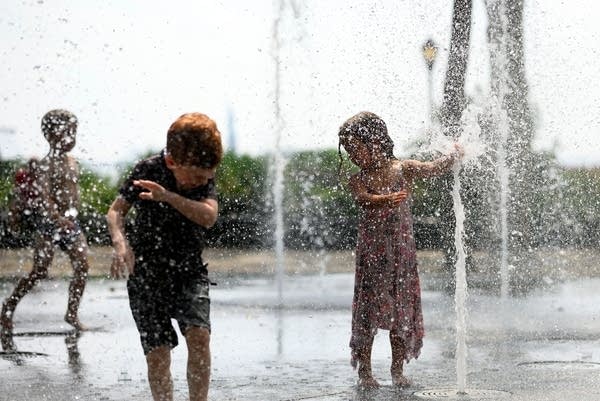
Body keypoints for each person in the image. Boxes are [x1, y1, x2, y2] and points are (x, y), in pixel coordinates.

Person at [338, 111, 463, 388]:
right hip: (372, 257)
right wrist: (385, 199)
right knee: (368, 311)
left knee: (400, 311)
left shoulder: (402, 168)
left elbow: (432, 168)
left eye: (355, 149)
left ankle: (397, 370)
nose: (353, 156)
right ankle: (365, 372)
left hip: (401, 255)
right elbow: (363, 199)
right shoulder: (358, 179)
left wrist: (452, 156)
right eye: (348, 151)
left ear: (375, 141)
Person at [106, 112, 223, 401]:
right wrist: (121, 244)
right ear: (172, 161)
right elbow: (115, 211)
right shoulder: (147, 169)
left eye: (206, 177)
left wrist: (169, 196)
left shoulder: (203, 174)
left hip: (190, 273)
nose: (200, 182)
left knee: (199, 337)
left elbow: (208, 216)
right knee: (157, 353)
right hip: (145, 275)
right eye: (195, 176)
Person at [1, 109, 91, 351]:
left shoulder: (73, 161)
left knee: (83, 265)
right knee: (39, 271)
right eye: (67, 132)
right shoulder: (46, 164)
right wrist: (56, 217)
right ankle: (8, 306)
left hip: (71, 223)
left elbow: (73, 192)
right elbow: (44, 196)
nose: (72, 137)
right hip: (50, 224)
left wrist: (72, 214)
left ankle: (71, 313)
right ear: (50, 135)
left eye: (75, 131)